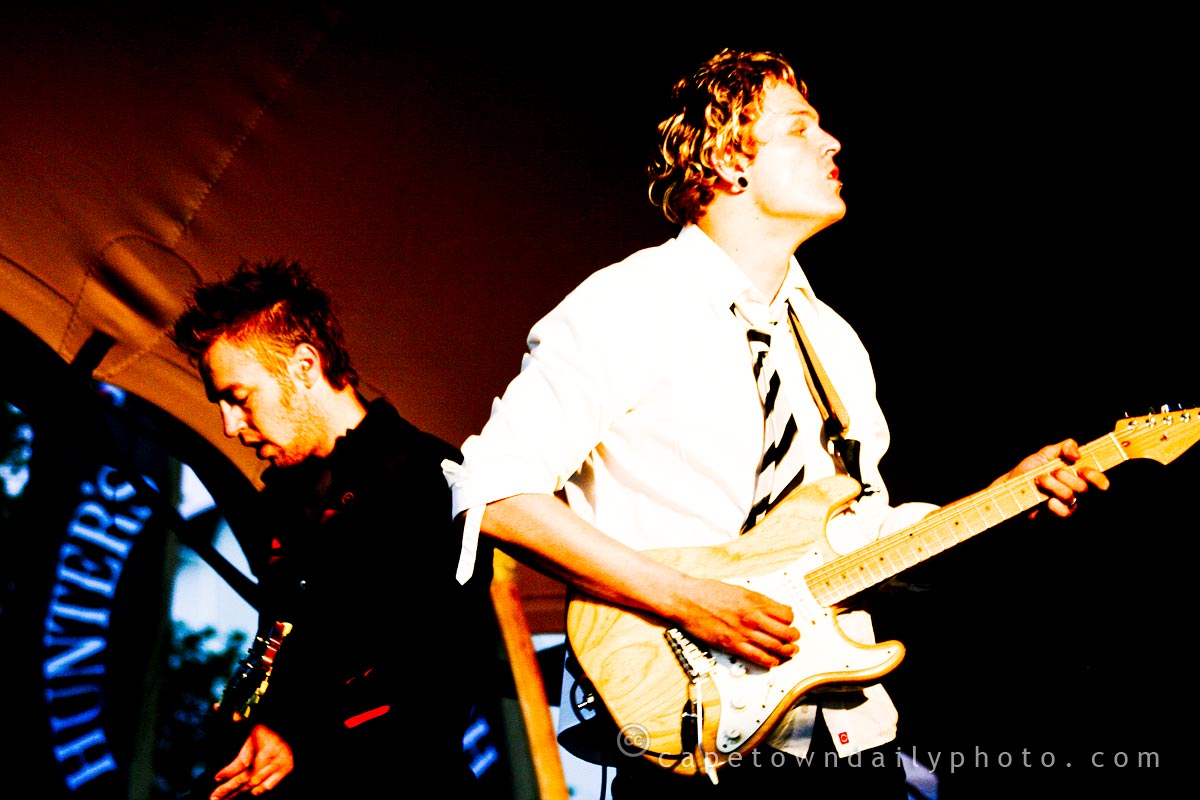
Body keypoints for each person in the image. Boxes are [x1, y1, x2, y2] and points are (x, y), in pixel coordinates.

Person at [442, 48, 1110, 798]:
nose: (831, 142)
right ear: (729, 160)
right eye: (800, 128)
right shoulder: (627, 305)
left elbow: (860, 537)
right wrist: (687, 599)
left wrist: (1000, 499)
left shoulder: (833, 341)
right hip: (694, 737)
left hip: (848, 735)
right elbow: (494, 492)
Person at [171, 259, 496, 798]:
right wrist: (253, 716)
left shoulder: (426, 476)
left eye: (239, 397)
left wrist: (298, 733)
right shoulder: (287, 499)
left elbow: (438, 668)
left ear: (304, 365)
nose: (228, 426)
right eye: (220, 404)